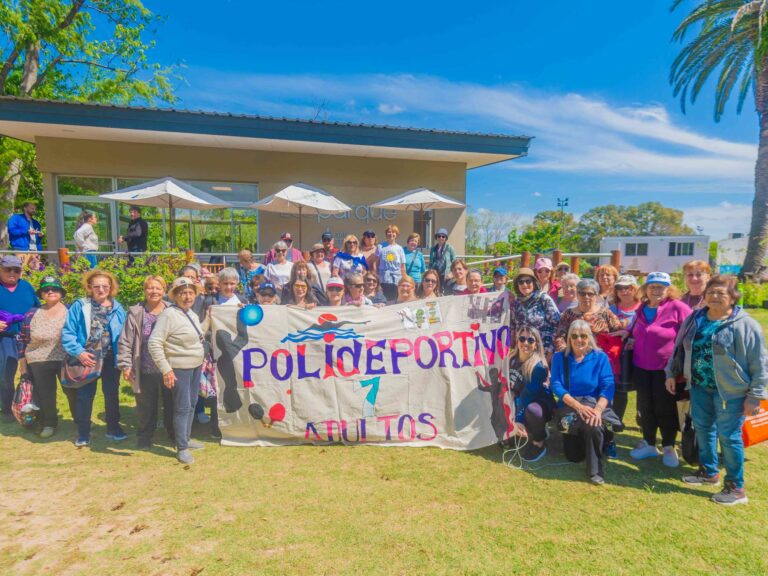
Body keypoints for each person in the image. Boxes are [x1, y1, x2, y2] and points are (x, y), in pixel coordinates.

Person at [667, 275, 768, 505]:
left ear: (733, 297)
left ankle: (736, 487)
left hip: (732, 392)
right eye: (711, 291)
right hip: (700, 386)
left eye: (721, 293)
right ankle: (709, 472)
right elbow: (680, 348)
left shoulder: (745, 324)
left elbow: (760, 363)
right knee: (703, 429)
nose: (714, 296)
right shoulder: (696, 318)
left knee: (730, 437)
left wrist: (755, 396)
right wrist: (671, 373)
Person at [555, 278, 625, 457]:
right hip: (575, 365)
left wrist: (613, 343)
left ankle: (608, 440)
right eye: (582, 293)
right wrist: (568, 356)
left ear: (596, 295)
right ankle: (579, 433)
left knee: (606, 400)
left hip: (600, 365)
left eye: (590, 293)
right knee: (577, 405)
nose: (586, 297)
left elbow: (621, 329)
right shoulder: (569, 315)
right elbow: (559, 336)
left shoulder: (605, 313)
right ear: (577, 295)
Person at [629, 271, 691, 467]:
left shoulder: (678, 307)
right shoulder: (641, 308)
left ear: (668, 288)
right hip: (641, 366)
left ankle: (669, 447)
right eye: (652, 286)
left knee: (665, 408)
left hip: (666, 370)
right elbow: (636, 330)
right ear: (646, 289)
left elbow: (691, 334)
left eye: (661, 287)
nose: (656, 290)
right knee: (645, 406)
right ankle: (648, 443)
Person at [61, 269, 127, 446]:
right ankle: (83, 432)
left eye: (105, 286)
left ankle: (113, 427)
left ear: (111, 287)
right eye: (96, 286)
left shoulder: (118, 308)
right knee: (85, 395)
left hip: (111, 358)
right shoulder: (80, 306)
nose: (101, 289)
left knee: (112, 394)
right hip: (87, 357)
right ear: (89, 287)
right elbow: (68, 332)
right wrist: (79, 352)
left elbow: (125, 334)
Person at [148, 277, 209, 464]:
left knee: (192, 403)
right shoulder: (168, 315)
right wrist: (166, 369)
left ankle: (186, 438)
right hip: (179, 368)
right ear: (175, 296)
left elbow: (198, 334)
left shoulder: (191, 313)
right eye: (182, 293)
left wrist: (209, 319)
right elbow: (154, 342)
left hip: (195, 366)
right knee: (182, 407)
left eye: (190, 292)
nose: (187, 296)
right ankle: (181, 447)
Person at [550, 320, 618, 485]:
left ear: (589, 337)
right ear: (569, 338)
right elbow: (556, 385)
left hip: (593, 404)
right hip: (570, 405)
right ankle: (596, 439)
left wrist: (598, 410)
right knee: (574, 456)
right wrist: (578, 406)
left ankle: (595, 470)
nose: (578, 339)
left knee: (593, 423)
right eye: (574, 336)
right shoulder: (560, 357)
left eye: (583, 336)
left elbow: (608, 384)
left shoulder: (600, 357)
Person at [117, 275, 173, 449]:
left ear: (164, 291)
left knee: (171, 404)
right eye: (150, 288)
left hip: (169, 368)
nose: (154, 291)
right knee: (145, 407)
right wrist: (126, 365)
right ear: (144, 290)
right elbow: (126, 340)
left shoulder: (173, 310)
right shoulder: (136, 312)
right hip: (145, 367)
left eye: (158, 288)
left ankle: (174, 435)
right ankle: (145, 437)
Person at [17, 276, 71, 438]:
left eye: (54, 288)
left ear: (61, 292)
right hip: (38, 359)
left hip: (66, 358)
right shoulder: (32, 313)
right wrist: (22, 363)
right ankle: (49, 424)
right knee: (46, 394)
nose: (50, 292)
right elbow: (22, 339)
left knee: (72, 392)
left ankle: (80, 421)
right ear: (41, 293)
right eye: (46, 289)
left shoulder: (71, 311)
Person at [0, 255, 40, 421]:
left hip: (27, 337)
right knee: (4, 374)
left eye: (16, 270)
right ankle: (7, 407)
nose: (12, 273)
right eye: (7, 269)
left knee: (32, 373)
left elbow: (38, 307)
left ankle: (31, 404)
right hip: (5, 338)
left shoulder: (26, 286)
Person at [507, 326, 552, 463]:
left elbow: (527, 396)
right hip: (517, 400)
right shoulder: (511, 359)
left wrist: (518, 420)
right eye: (522, 338)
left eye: (530, 340)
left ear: (536, 344)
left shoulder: (539, 367)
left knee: (533, 411)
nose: (525, 343)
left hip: (536, 404)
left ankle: (539, 440)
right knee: (508, 442)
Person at [509, 268, 560, 358]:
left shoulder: (543, 298)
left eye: (528, 281)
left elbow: (557, 324)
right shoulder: (516, 303)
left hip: (543, 351)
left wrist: (550, 350)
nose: (525, 284)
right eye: (521, 282)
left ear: (534, 283)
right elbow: (513, 327)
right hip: (522, 351)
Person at [377, 225, 407, 302]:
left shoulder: (399, 248)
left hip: (396, 280)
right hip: (383, 280)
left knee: (395, 301)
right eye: (389, 232)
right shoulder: (380, 246)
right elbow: (376, 263)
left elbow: (402, 266)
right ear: (386, 234)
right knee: (384, 301)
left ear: (396, 234)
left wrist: (404, 280)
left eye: (393, 232)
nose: (391, 234)